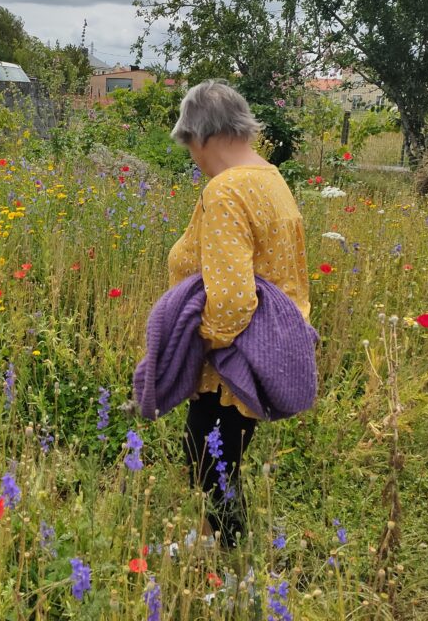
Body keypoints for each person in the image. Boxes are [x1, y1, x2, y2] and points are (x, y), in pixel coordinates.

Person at [167, 80, 311, 545]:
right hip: (267, 347)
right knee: (220, 457)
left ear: (202, 136)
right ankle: (211, 546)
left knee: (210, 464)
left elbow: (232, 301)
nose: (194, 158)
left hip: (230, 360)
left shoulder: (227, 191)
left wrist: (190, 347)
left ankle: (229, 563)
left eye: (190, 146)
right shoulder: (270, 178)